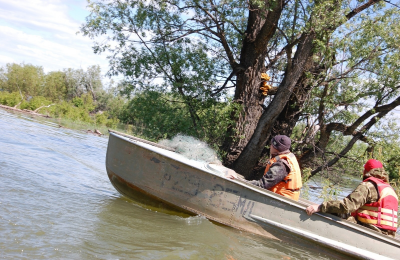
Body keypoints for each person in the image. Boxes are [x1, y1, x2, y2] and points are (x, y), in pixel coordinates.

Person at [306, 159, 398, 238]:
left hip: (371, 230)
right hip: (388, 235)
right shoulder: (390, 189)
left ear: (366, 171)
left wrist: (321, 207)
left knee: (336, 211)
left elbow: (347, 206)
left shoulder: (368, 186)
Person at [229, 135, 302, 201]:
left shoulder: (281, 165)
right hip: (285, 197)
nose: (270, 146)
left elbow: (262, 184)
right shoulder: (287, 157)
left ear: (276, 147)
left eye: (272, 145)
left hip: (282, 200)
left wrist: (240, 181)